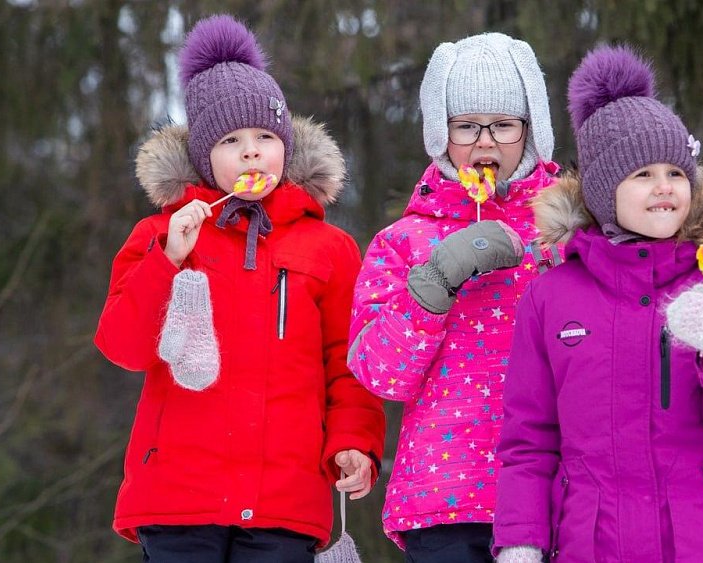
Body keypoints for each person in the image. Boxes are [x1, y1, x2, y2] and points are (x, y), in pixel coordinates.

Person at [94, 15, 384, 562]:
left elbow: (349, 361)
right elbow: (122, 347)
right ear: (205, 155)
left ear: (286, 145)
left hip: (284, 500)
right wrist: (167, 261)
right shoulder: (161, 234)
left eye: (265, 137)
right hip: (178, 497)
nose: (252, 152)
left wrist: (353, 442)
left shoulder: (330, 248)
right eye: (231, 140)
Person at [493, 45, 703, 562]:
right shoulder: (551, 297)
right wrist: (520, 543)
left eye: (675, 173)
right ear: (605, 192)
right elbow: (528, 443)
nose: (664, 188)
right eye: (642, 175)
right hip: (593, 543)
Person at [346, 33, 561, 562]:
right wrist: (433, 283)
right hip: (443, 498)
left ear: (532, 133)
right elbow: (379, 374)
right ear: (440, 135)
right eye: (467, 127)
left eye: (504, 125)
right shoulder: (404, 241)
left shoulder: (569, 232)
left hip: (555, 492)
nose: (485, 144)